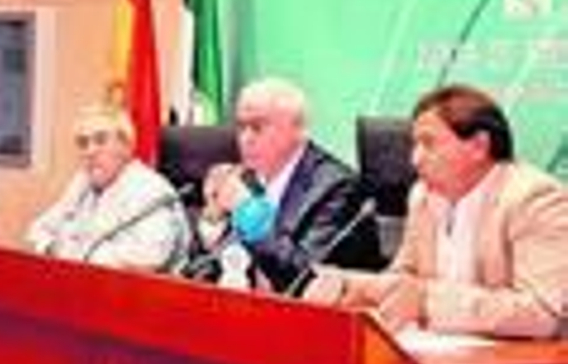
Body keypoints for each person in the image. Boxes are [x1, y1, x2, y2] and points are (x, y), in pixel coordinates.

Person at [307, 84, 568, 338]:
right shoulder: (422, 196)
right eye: (414, 144)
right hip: (441, 359)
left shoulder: (534, 199)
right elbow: (404, 278)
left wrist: (426, 301)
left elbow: (544, 313)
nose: (415, 158)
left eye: (429, 144)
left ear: (479, 146)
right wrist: (348, 286)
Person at [196, 77, 381, 292]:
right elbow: (199, 273)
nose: (245, 138)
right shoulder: (245, 178)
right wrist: (213, 220)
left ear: (297, 130)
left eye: (257, 127)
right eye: (241, 127)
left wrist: (248, 212)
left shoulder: (337, 186)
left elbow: (305, 280)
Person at [25, 104, 189, 272]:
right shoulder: (82, 182)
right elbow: (37, 231)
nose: (90, 151)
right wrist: (68, 249)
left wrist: (67, 248)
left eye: (100, 140)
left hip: (144, 294)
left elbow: (149, 258)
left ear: (126, 146)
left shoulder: (150, 190)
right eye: (83, 143)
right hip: (85, 286)